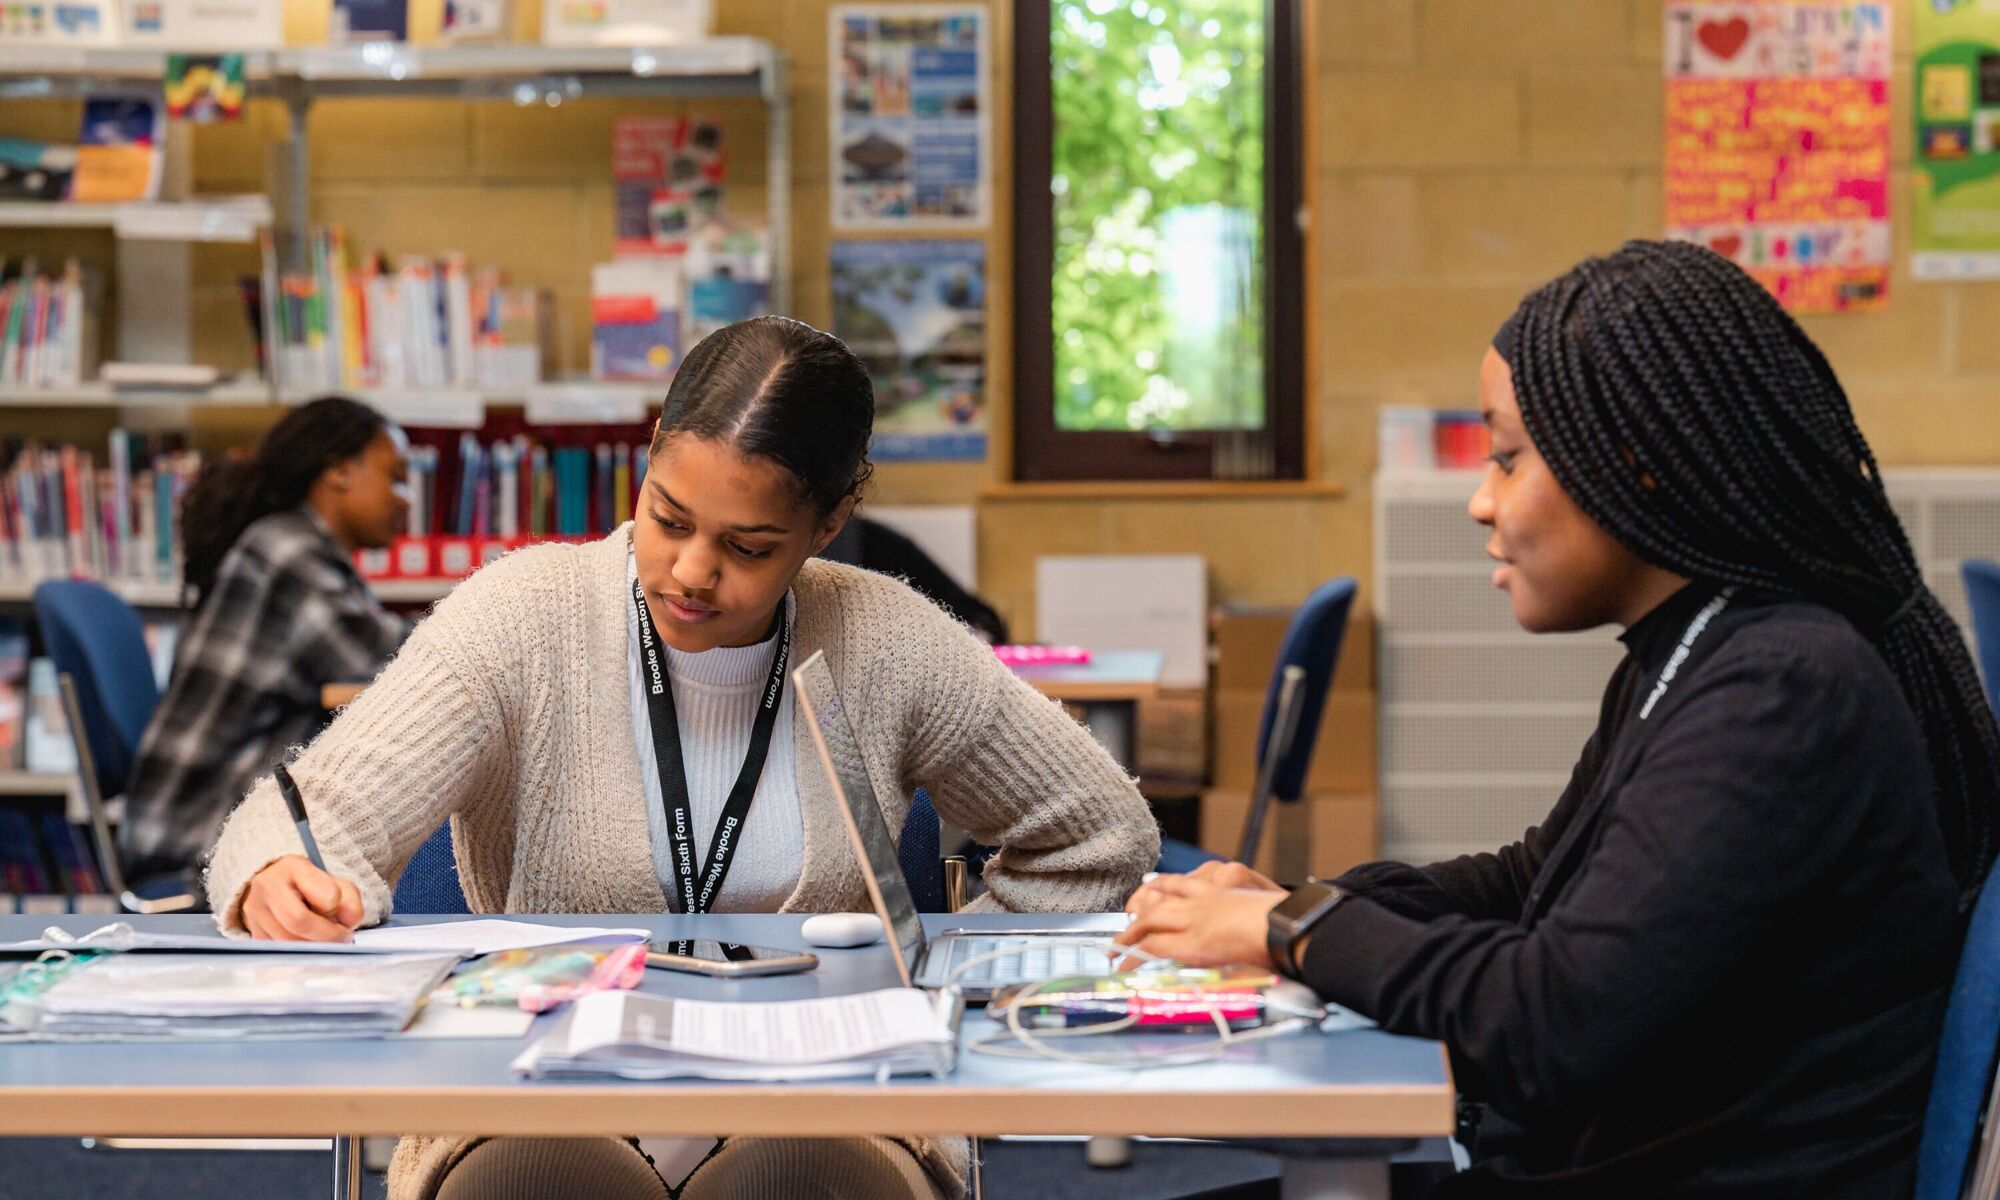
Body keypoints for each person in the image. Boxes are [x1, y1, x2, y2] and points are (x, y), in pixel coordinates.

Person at [202, 316, 1158, 1200]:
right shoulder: (523, 617)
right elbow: (311, 810)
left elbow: (1099, 834)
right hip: (545, 1090)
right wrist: (283, 876)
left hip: (825, 1097)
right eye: (669, 519)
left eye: (748, 546)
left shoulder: (885, 638)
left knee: (796, 1182)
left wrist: (945, 990)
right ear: (652, 446)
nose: (693, 572)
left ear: (828, 523)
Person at [1120, 240, 2000, 1198]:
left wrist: (1295, 929)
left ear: (1637, 466)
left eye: (1507, 458)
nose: (1479, 501)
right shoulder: (1701, 648)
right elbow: (1530, 879)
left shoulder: (1785, 689)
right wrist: (1296, 901)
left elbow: (1554, 1020)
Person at [120, 396, 412, 887]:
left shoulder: (299, 548)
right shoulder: (285, 551)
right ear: (340, 471)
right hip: (197, 839)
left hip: (204, 822)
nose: (405, 498)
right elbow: (390, 659)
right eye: (395, 476)